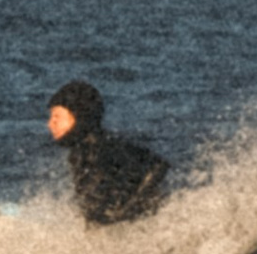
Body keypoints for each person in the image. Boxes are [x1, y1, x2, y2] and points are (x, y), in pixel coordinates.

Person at [46, 80, 171, 226]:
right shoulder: (85, 150)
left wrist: (125, 214)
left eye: (57, 117)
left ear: (79, 116)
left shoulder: (99, 149)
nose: (50, 124)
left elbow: (158, 166)